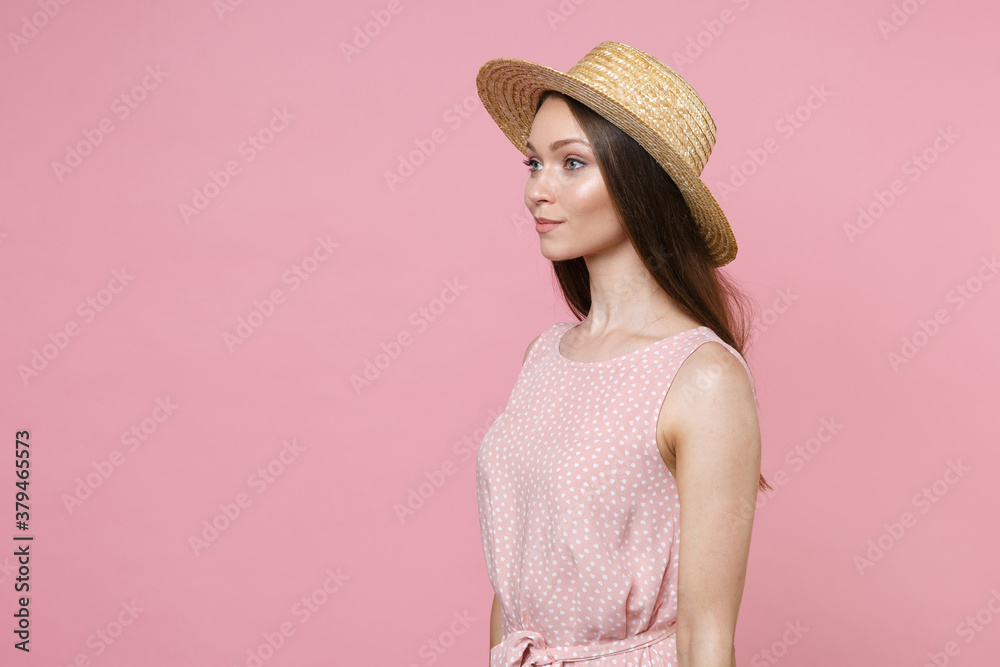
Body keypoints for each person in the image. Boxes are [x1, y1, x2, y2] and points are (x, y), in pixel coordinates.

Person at [474, 42, 771, 667]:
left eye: (571, 164)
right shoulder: (543, 356)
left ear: (641, 185)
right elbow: (511, 599)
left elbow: (706, 637)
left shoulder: (704, 378)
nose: (537, 190)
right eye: (534, 163)